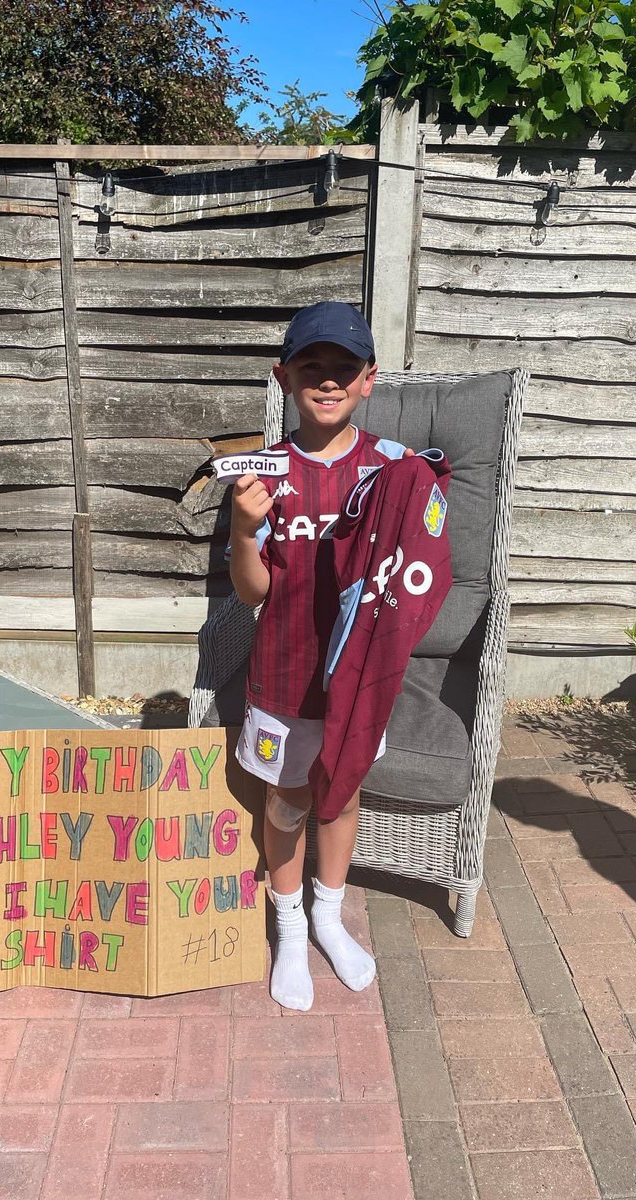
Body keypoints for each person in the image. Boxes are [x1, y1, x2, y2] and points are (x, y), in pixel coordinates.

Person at [228, 301, 411, 1011]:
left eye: (345, 368)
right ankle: (290, 928)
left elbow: (417, 574)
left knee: (341, 794)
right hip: (282, 677)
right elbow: (253, 592)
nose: (328, 381)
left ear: (370, 379)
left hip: (358, 684)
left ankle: (329, 917)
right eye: (313, 367)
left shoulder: (395, 471)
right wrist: (246, 531)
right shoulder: (262, 474)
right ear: (284, 378)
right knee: (288, 800)